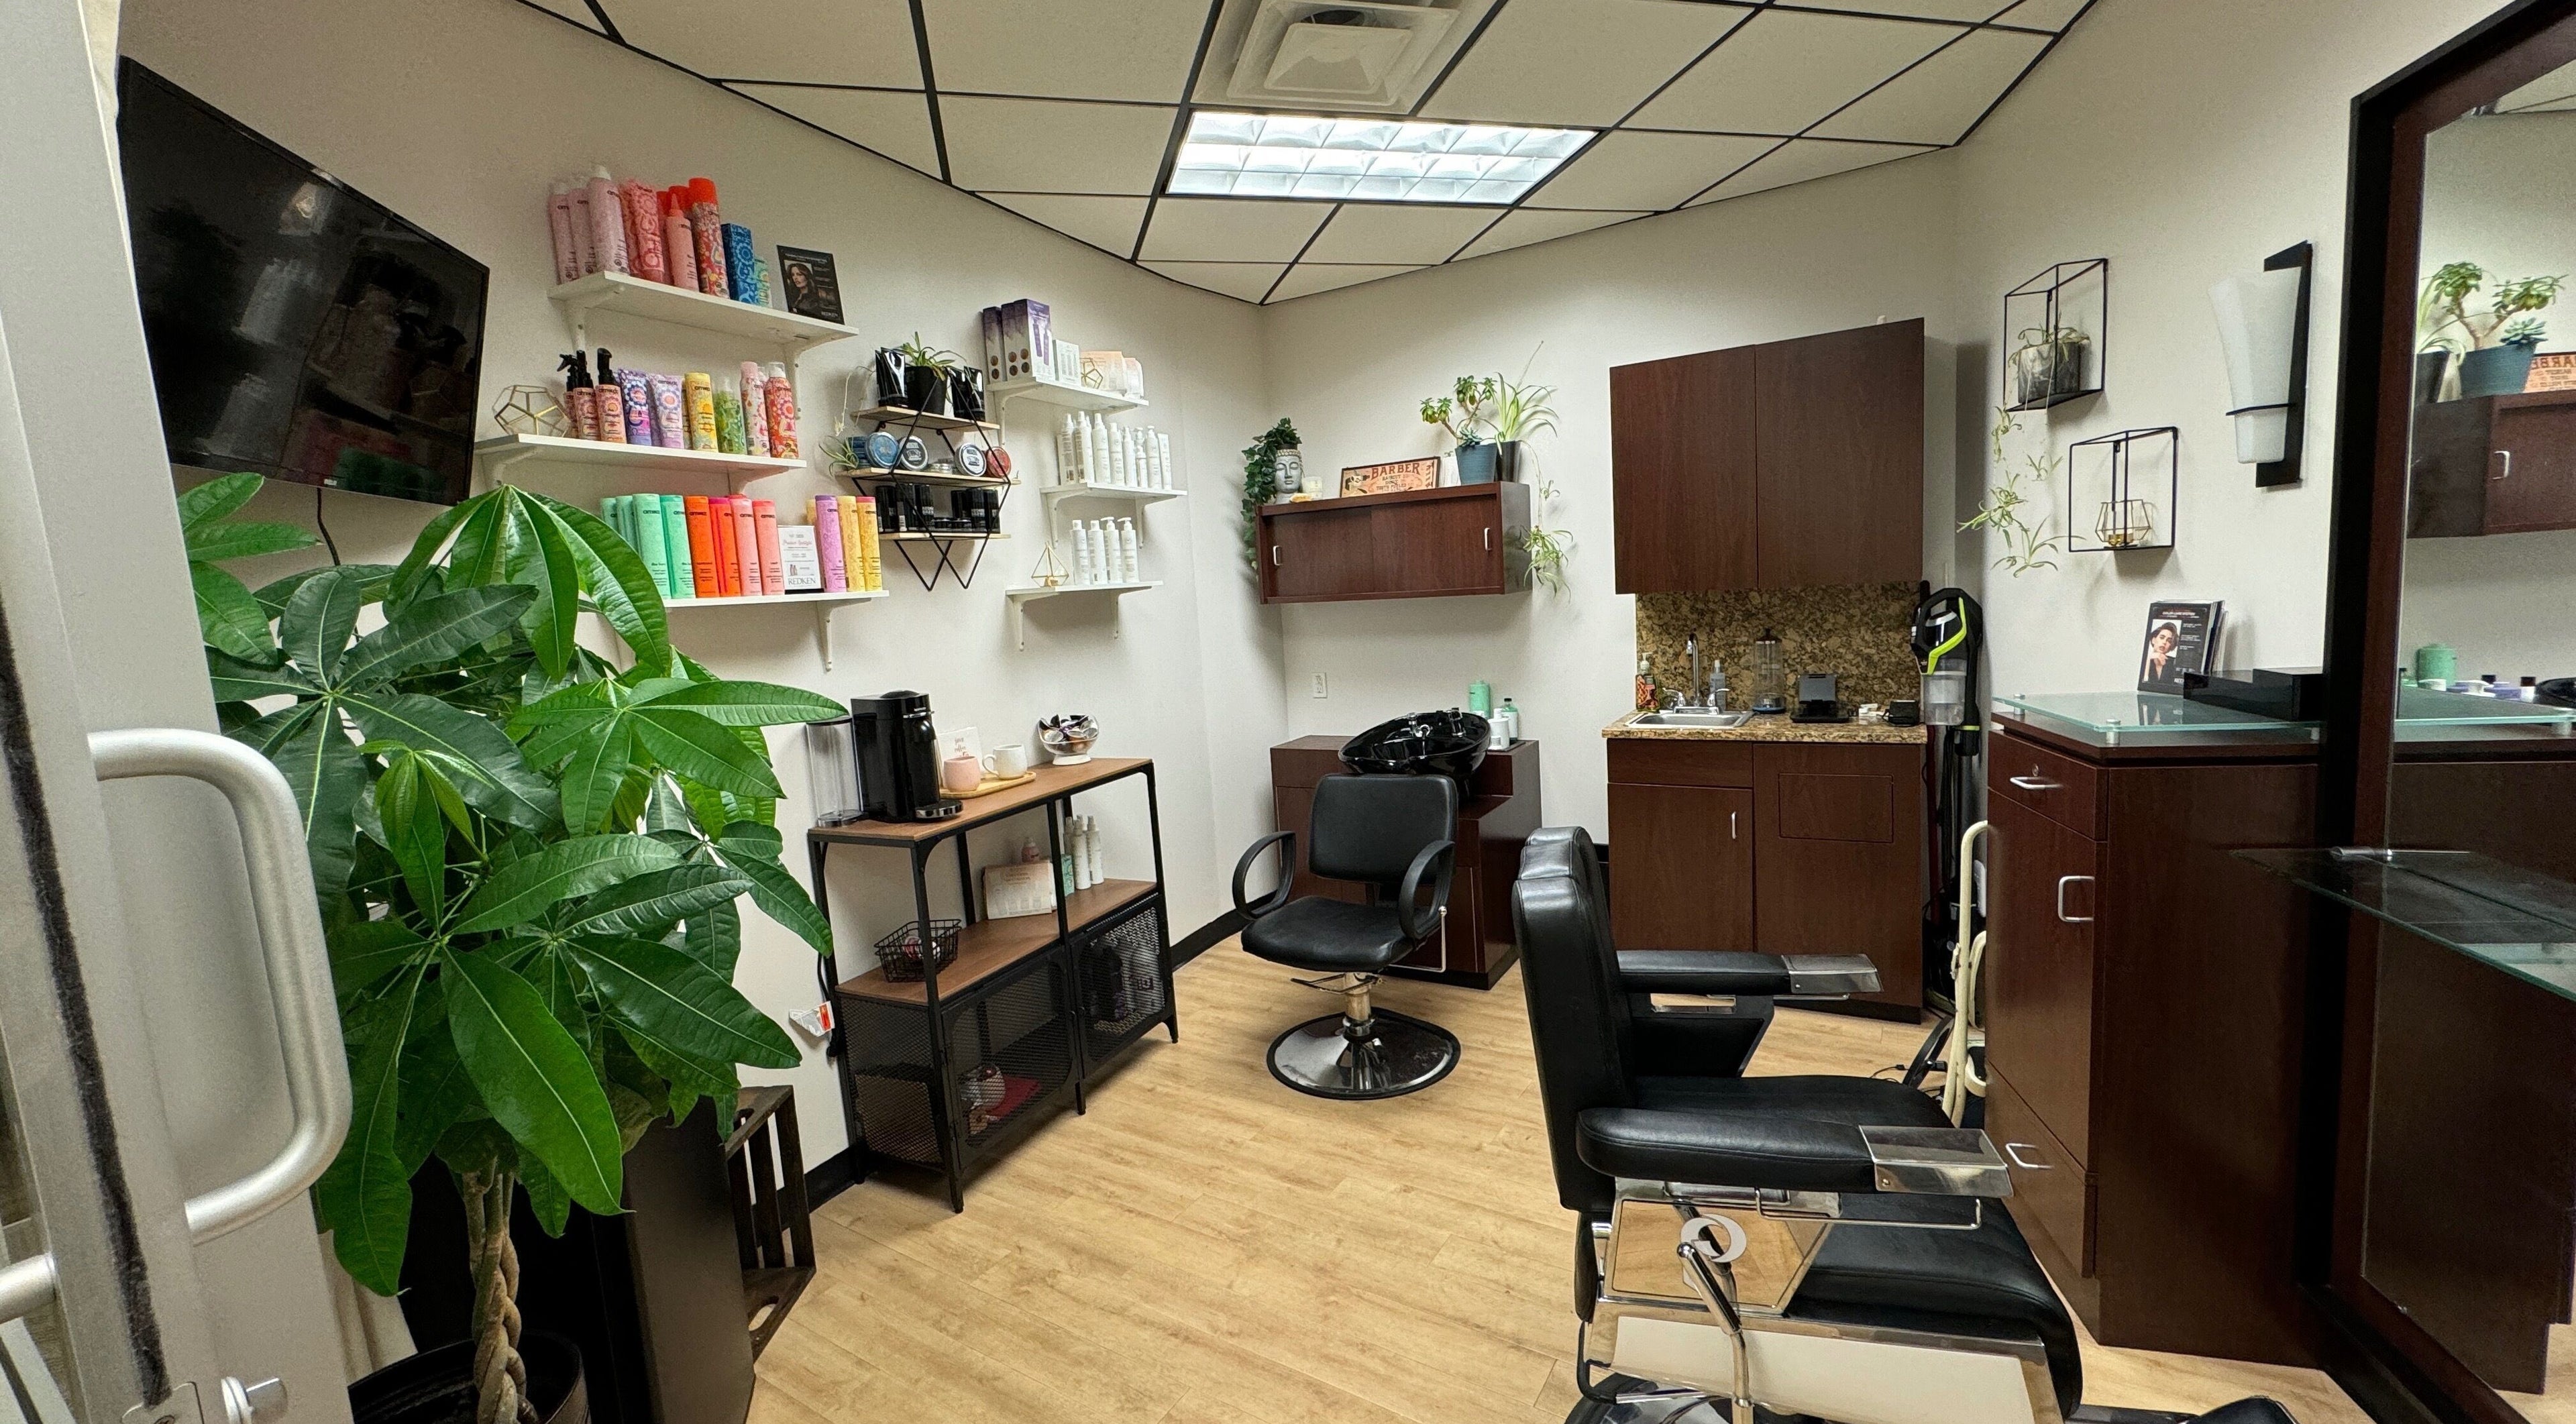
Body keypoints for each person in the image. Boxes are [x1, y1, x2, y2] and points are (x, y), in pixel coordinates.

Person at [2143, 620, 2181, 684]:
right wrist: (2149, 659)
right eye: (2162, 638)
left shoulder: (2175, 663)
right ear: (2154, 640)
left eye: (2169, 641)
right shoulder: (2144, 660)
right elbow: (2143, 682)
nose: (2164, 642)